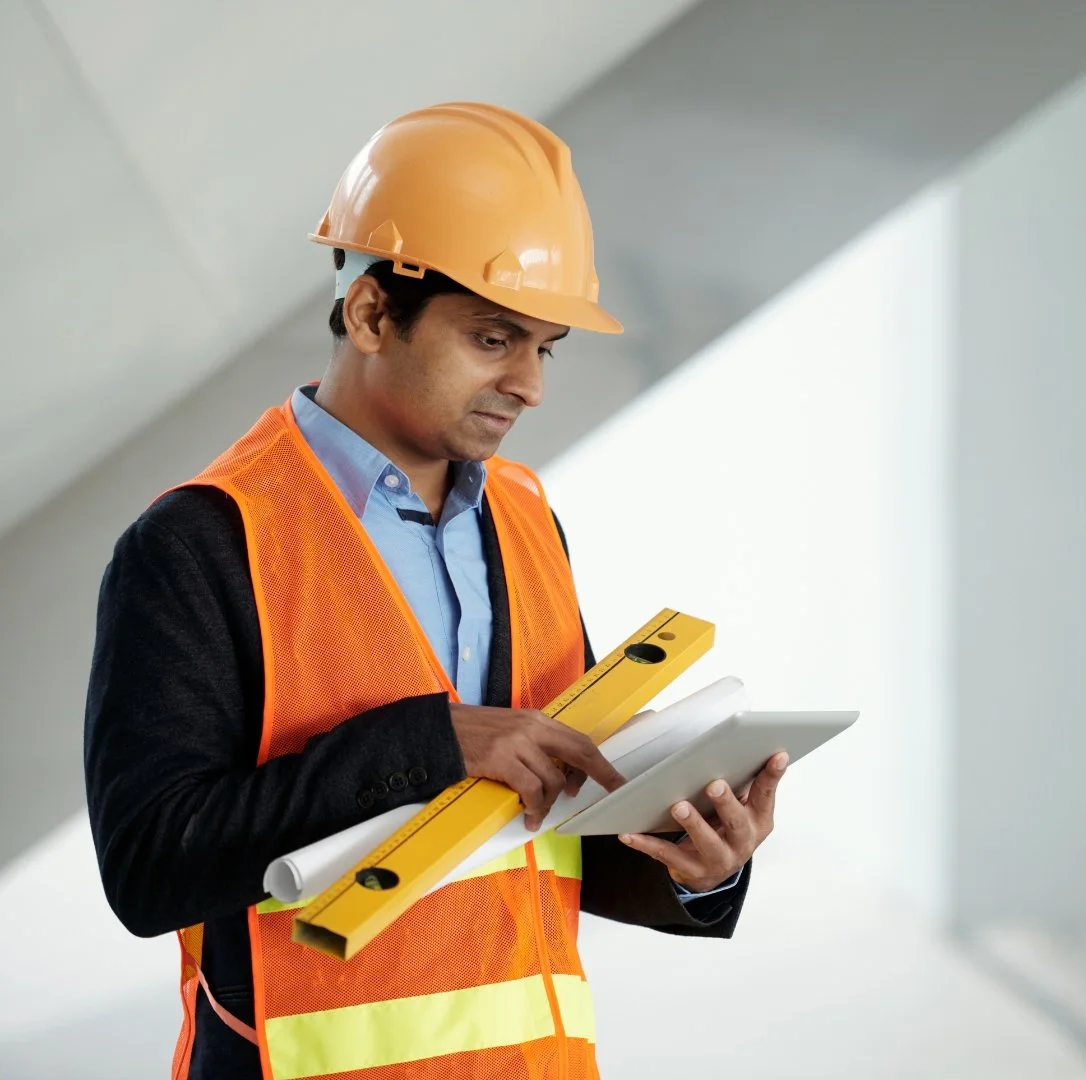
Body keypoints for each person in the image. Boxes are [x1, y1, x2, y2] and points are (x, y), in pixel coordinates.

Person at [82, 101, 783, 1080]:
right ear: (373, 313)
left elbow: (537, 823)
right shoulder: (203, 544)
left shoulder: (529, 519)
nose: (531, 383)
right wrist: (431, 744)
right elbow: (151, 865)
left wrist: (701, 862)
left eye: (545, 346)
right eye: (494, 339)